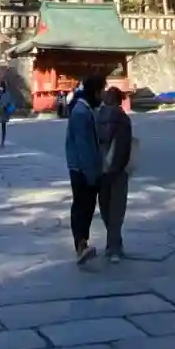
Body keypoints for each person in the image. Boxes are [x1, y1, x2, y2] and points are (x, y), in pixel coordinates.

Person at [65, 74, 106, 263]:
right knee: (82, 206)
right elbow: (83, 146)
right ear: (95, 92)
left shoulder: (86, 109)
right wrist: (91, 174)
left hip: (83, 166)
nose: (103, 95)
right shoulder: (81, 112)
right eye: (102, 91)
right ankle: (80, 244)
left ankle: (82, 243)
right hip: (82, 169)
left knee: (86, 206)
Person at [96, 85, 134, 262]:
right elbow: (126, 146)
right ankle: (115, 246)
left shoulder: (98, 117)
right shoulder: (122, 118)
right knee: (116, 209)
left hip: (103, 168)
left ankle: (113, 244)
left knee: (106, 207)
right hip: (117, 169)